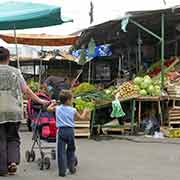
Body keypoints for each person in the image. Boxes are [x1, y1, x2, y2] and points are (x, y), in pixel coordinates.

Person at [0, 47, 49, 176]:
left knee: (1, 139)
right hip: (14, 111)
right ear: (8, 58)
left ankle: (2, 169)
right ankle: (12, 162)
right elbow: (26, 90)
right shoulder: (15, 72)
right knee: (13, 137)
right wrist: (41, 101)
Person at [48, 90, 90, 177]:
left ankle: (62, 171)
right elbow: (82, 118)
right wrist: (85, 112)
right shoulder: (73, 110)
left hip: (61, 131)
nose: (72, 101)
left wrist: (53, 103)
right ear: (67, 101)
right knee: (71, 150)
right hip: (70, 131)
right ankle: (71, 168)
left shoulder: (58, 108)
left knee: (61, 152)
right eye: (71, 99)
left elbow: (48, 109)